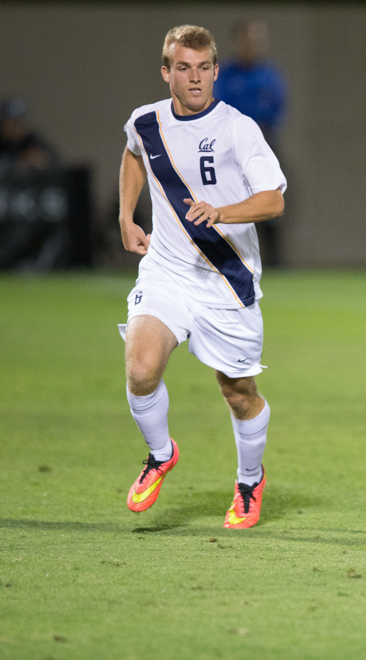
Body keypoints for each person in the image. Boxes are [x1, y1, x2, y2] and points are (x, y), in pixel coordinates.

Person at [117, 25, 286, 529]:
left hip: (227, 281)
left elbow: (274, 199)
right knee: (141, 368)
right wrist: (126, 217)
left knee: (238, 393)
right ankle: (160, 453)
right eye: (184, 67)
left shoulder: (238, 128)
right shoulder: (145, 122)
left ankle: (250, 479)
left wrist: (223, 212)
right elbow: (132, 155)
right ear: (166, 71)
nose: (195, 77)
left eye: (205, 67)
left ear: (216, 70)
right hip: (168, 270)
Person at [216, 19, 288, 267]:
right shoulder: (225, 75)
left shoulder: (270, 75)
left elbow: (278, 109)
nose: (255, 44)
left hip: (264, 144)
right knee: (232, 200)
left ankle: (274, 260)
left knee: (269, 198)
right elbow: (219, 108)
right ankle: (228, 256)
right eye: (249, 39)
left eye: (259, 39)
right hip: (230, 147)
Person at [0, 96, 59, 177]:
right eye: (12, 123)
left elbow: (58, 163)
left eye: (20, 122)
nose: (17, 128)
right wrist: (16, 164)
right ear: (0, 123)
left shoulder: (33, 140)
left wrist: (45, 162)